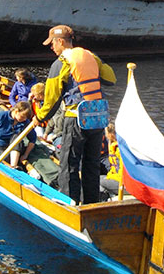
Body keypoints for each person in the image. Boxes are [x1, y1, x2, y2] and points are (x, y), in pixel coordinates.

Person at [33, 25, 116, 204]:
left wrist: (39, 117)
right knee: (92, 164)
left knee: (68, 164)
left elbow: (51, 99)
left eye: (52, 43)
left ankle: (69, 204)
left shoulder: (60, 63)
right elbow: (110, 79)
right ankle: (91, 203)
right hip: (97, 118)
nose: (51, 47)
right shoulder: (91, 56)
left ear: (61, 42)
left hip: (76, 118)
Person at [99, 122, 123, 200]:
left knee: (97, 180)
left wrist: (109, 176)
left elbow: (121, 173)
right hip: (120, 180)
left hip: (124, 184)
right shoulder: (117, 147)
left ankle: (103, 203)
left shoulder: (118, 150)